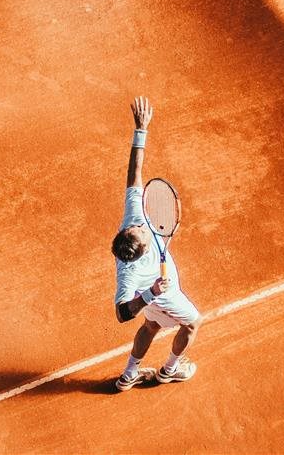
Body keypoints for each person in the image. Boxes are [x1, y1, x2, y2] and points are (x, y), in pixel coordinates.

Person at [110, 96, 203, 391]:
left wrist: (141, 130)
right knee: (193, 322)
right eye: (142, 232)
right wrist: (151, 294)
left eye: (137, 227)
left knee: (151, 325)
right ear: (143, 251)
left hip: (153, 299)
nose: (143, 226)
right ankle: (170, 370)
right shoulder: (130, 273)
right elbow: (122, 313)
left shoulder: (132, 219)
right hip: (164, 297)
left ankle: (129, 375)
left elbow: (134, 175)